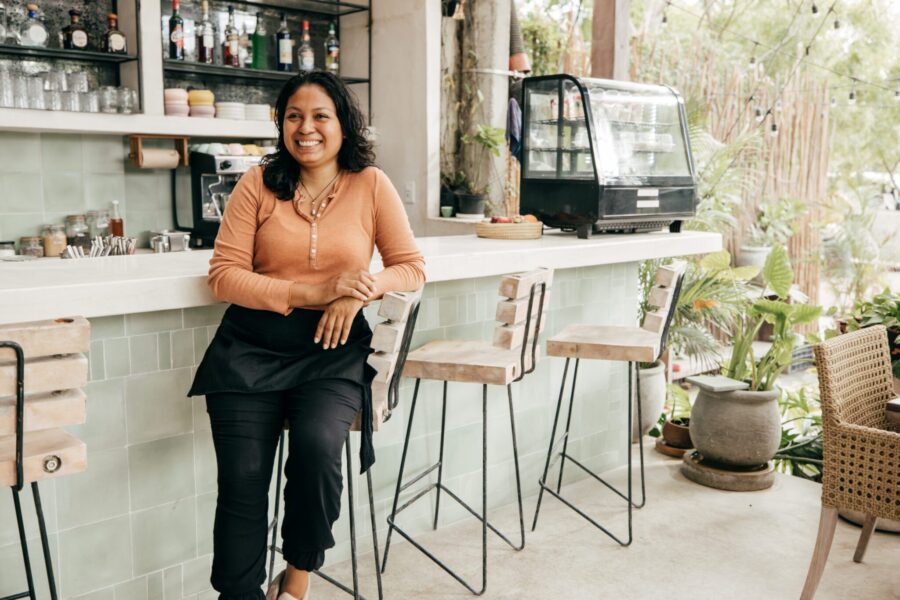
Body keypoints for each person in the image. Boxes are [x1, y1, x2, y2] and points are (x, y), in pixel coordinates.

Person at [188, 71, 426, 600]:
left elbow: (409, 267)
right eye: (294, 116)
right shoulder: (257, 183)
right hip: (248, 348)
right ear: (281, 124)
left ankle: (296, 584)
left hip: (331, 351)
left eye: (321, 116)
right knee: (244, 479)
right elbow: (224, 275)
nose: (307, 128)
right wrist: (312, 293)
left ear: (343, 124)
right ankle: (239, 594)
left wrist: (357, 290)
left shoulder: (370, 185)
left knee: (319, 450)